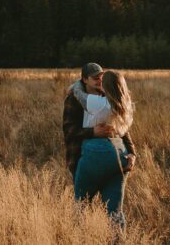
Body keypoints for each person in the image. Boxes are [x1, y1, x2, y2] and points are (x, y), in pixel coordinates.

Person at [69, 67, 135, 228]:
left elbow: (79, 96)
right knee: (115, 211)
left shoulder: (99, 103)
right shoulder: (126, 105)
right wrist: (132, 153)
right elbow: (125, 133)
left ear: (108, 86)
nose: (99, 82)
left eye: (102, 81)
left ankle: (78, 238)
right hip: (120, 153)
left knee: (81, 204)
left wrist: (76, 85)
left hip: (96, 151)